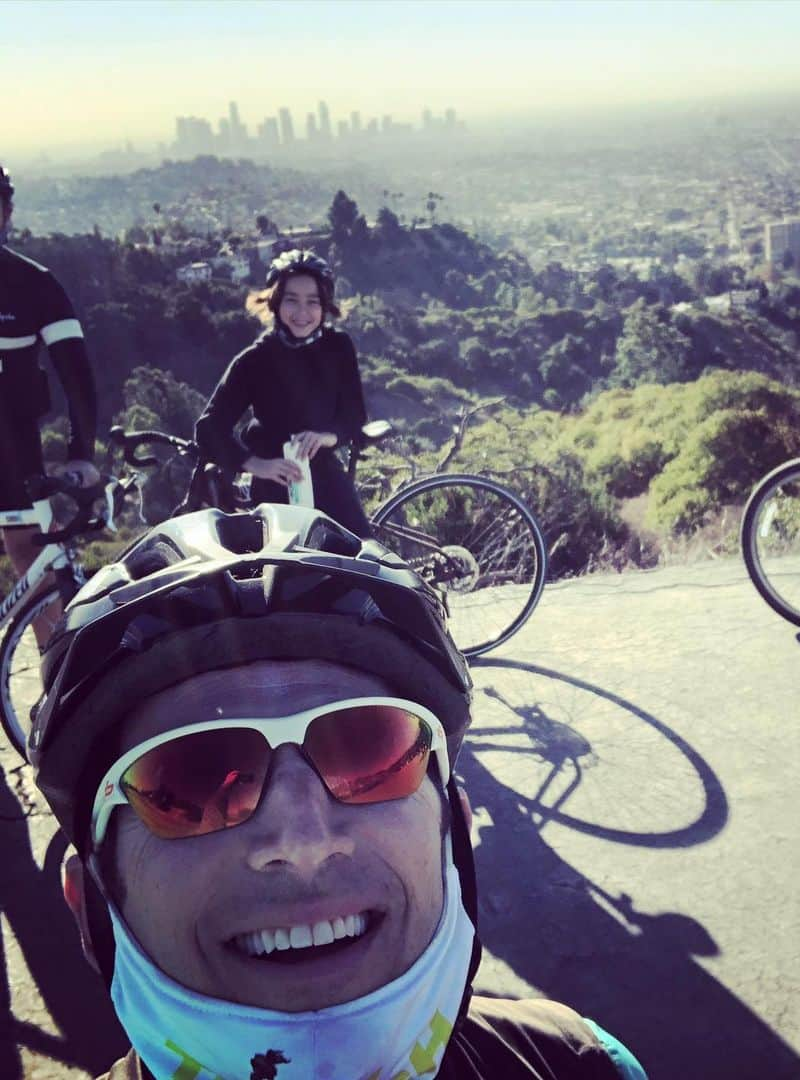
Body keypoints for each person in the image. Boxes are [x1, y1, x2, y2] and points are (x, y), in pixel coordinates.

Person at [30, 503, 646, 1080]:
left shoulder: (583, 1064)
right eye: (190, 779)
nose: (303, 840)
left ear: (452, 835)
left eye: (370, 750)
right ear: (92, 905)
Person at [195, 249, 371, 536]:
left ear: (325, 306)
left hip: (325, 474)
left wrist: (326, 437)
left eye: (313, 302)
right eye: (292, 300)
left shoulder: (338, 346)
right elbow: (209, 427)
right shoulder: (255, 359)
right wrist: (255, 465)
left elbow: (354, 414)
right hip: (276, 485)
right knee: (290, 575)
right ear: (275, 302)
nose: (302, 313)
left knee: (364, 559)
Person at [0, 162, 98, 629]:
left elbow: (76, 377)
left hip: (12, 450)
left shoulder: (35, 285)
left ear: (7, 210)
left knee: (33, 560)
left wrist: (81, 454)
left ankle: (51, 682)